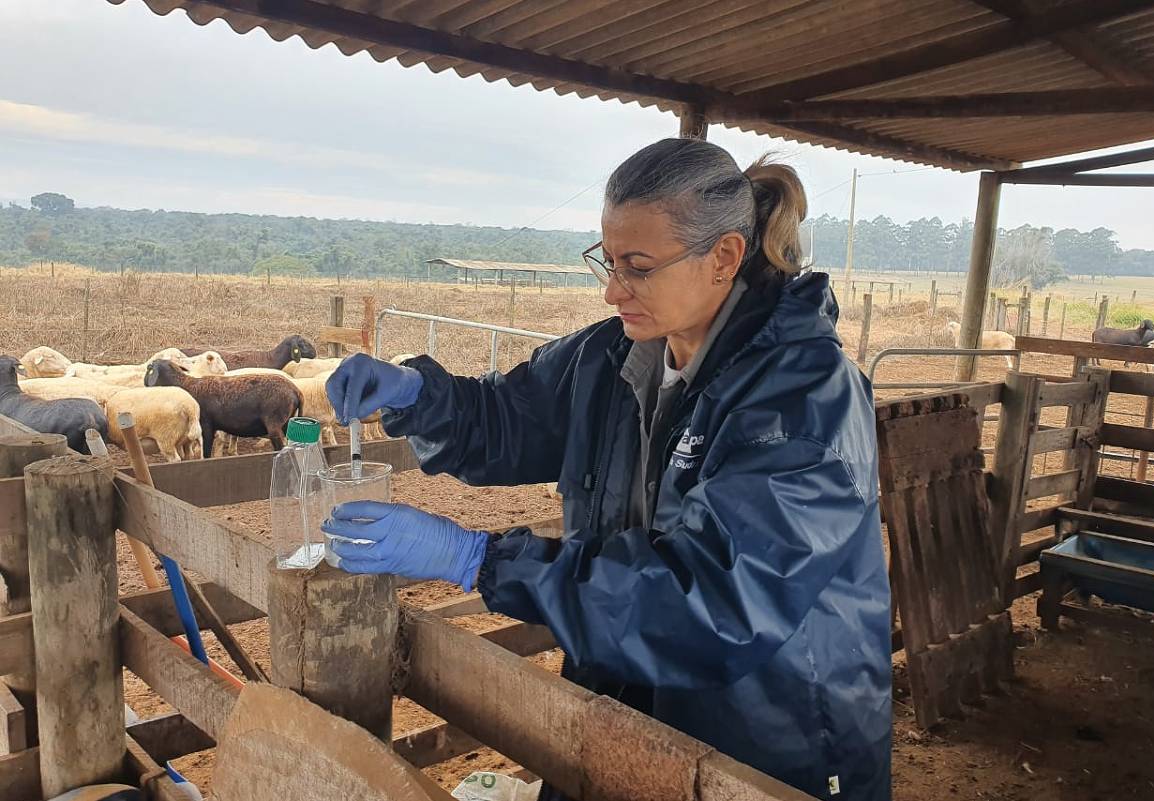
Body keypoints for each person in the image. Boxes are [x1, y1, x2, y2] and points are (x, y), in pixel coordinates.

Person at [323, 138, 892, 801]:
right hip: (623, 710)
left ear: (723, 258)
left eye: (639, 266)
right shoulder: (613, 354)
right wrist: (417, 395)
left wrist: (478, 558)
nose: (612, 290)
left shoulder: (803, 396)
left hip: (765, 745)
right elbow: (509, 415)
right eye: (609, 260)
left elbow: (715, 603)